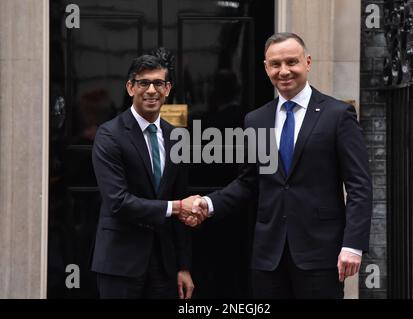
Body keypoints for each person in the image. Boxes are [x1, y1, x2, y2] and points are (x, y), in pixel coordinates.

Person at [189, 32, 373, 299]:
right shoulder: (256, 120)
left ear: (307, 63)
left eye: (292, 62)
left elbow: (359, 185)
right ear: (266, 68)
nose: (284, 71)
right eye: (275, 64)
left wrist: (353, 245)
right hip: (268, 257)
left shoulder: (337, 115)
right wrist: (209, 203)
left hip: (320, 255)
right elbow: (248, 182)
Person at [91, 49, 200, 299]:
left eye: (158, 83)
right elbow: (118, 202)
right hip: (120, 261)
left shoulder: (176, 137)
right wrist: (177, 206)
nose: (151, 90)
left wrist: (183, 266)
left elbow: (179, 196)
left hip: (163, 265)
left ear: (168, 89)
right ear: (131, 87)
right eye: (144, 83)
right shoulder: (109, 135)